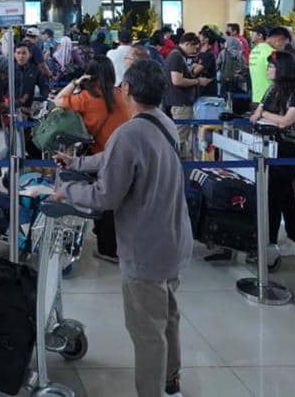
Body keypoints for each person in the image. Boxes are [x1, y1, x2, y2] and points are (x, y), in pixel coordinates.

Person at [53, 60, 193, 397]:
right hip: (173, 239)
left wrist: (65, 190)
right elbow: (110, 159)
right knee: (169, 316)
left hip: (145, 248)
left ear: (127, 89)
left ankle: (151, 391)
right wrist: (77, 163)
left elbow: (105, 196)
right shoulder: (162, 122)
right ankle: (170, 380)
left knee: (146, 330)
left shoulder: (130, 133)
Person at [53, 56, 129, 264]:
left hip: (99, 157)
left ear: (90, 74)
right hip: (125, 155)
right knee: (118, 204)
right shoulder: (121, 94)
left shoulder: (86, 97)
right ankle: (119, 246)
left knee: (103, 204)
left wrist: (76, 82)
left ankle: (108, 250)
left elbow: (58, 100)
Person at [250, 51, 295, 258]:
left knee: (274, 196)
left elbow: (286, 121)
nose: (267, 70)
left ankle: (270, 244)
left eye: (271, 67)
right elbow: (256, 114)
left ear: (282, 69)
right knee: (285, 195)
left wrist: (264, 114)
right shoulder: (271, 90)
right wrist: (260, 114)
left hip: (291, 149)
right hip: (271, 147)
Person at [164, 33, 208, 157]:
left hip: (179, 101)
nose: (195, 51)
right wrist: (198, 81)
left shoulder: (176, 55)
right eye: (194, 47)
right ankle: (179, 165)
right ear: (187, 44)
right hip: (180, 102)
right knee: (180, 138)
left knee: (181, 136)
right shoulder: (176, 57)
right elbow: (177, 80)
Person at [248, 28, 274, 103]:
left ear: (260, 36)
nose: (251, 36)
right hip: (267, 97)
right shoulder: (270, 51)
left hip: (257, 97)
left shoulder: (254, 51)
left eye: (253, 33)